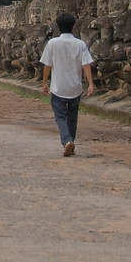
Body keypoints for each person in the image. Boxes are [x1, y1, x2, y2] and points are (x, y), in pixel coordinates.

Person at [40, 12, 95, 157]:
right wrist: (90, 83)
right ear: (73, 26)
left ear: (58, 26)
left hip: (58, 86)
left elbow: (47, 65)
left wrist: (45, 81)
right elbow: (86, 65)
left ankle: (67, 141)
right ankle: (70, 140)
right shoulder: (80, 43)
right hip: (75, 86)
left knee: (60, 117)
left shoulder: (52, 43)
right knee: (72, 116)